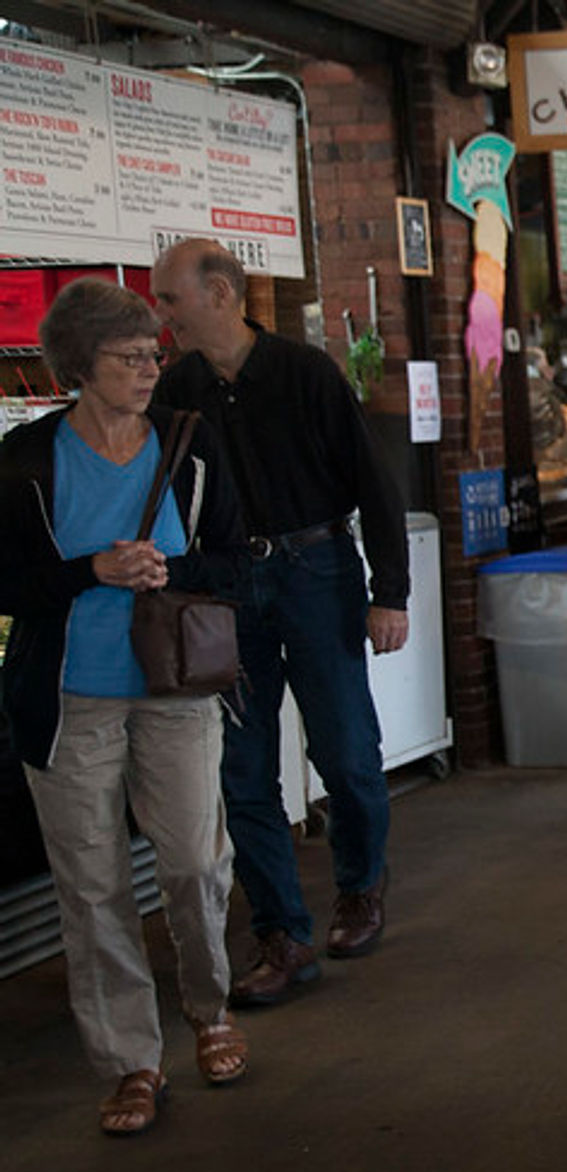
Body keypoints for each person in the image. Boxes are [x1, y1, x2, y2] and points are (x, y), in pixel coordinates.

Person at [1, 278, 252, 1133]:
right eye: (128, 357)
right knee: (93, 885)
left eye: (154, 353)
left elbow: (234, 564)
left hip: (176, 692)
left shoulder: (190, 445)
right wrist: (89, 572)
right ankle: (131, 1061)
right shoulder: (28, 460)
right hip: (69, 701)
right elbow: (7, 581)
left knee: (193, 862)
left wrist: (169, 571)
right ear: (78, 365)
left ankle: (210, 1010)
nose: (149, 369)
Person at [152, 238, 408, 1004]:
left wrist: (389, 590)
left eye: (172, 298)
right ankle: (282, 934)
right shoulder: (177, 389)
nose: (164, 316)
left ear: (222, 292)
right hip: (226, 587)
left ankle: (361, 884)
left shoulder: (306, 373)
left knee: (348, 751)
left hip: (317, 570)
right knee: (243, 769)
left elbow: (374, 481)